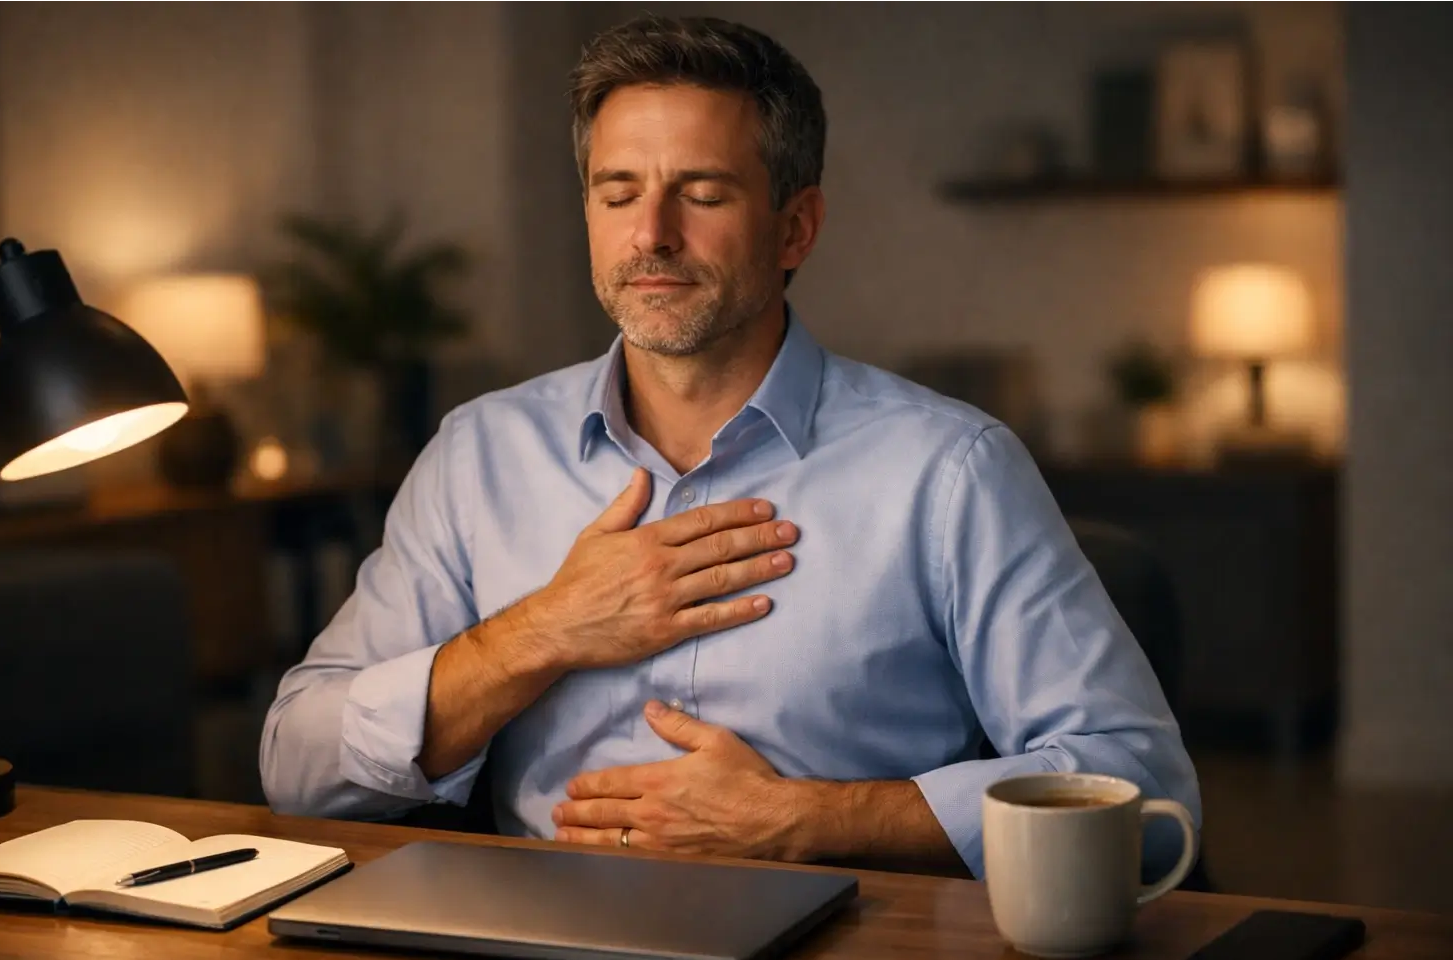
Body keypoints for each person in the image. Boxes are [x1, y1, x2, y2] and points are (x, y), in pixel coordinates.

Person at [260, 13, 1200, 878]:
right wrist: (545, 631)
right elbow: (297, 764)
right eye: (618, 192)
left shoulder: (949, 471)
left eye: (701, 193)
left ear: (796, 227)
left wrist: (807, 819)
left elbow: (1143, 787)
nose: (652, 235)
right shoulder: (478, 455)